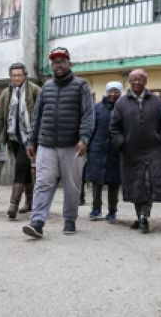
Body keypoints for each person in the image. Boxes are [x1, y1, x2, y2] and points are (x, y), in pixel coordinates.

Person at [22, 47, 94, 238]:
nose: (58, 64)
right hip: (46, 144)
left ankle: (70, 219)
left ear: (69, 63)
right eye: (55, 61)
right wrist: (31, 140)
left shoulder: (81, 86)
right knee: (42, 183)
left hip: (72, 145)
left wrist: (84, 139)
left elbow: (88, 115)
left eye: (62, 61)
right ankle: (37, 222)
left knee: (72, 186)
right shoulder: (46, 87)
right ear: (51, 65)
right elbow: (37, 116)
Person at [109, 69, 161, 233]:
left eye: (140, 79)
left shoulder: (156, 101)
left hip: (153, 150)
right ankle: (141, 216)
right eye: (133, 80)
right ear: (129, 82)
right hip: (131, 151)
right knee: (137, 184)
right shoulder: (121, 103)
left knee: (149, 183)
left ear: (146, 81)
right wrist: (121, 142)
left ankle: (143, 217)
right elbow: (114, 127)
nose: (137, 82)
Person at [0, 62, 41, 219]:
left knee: (20, 166)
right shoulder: (6, 93)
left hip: (30, 137)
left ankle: (13, 204)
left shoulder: (34, 90)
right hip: (14, 138)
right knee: (24, 169)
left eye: (19, 75)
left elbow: (42, 113)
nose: (16, 78)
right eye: (13, 75)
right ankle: (30, 201)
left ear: (25, 75)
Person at [86, 81, 123, 221]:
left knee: (114, 183)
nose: (113, 94)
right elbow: (90, 128)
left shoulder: (123, 108)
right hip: (97, 150)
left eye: (116, 92)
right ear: (106, 92)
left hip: (116, 151)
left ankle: (112, 211)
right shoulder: (96, 108)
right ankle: (96, 209)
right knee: (96, 182)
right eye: (110, 91)